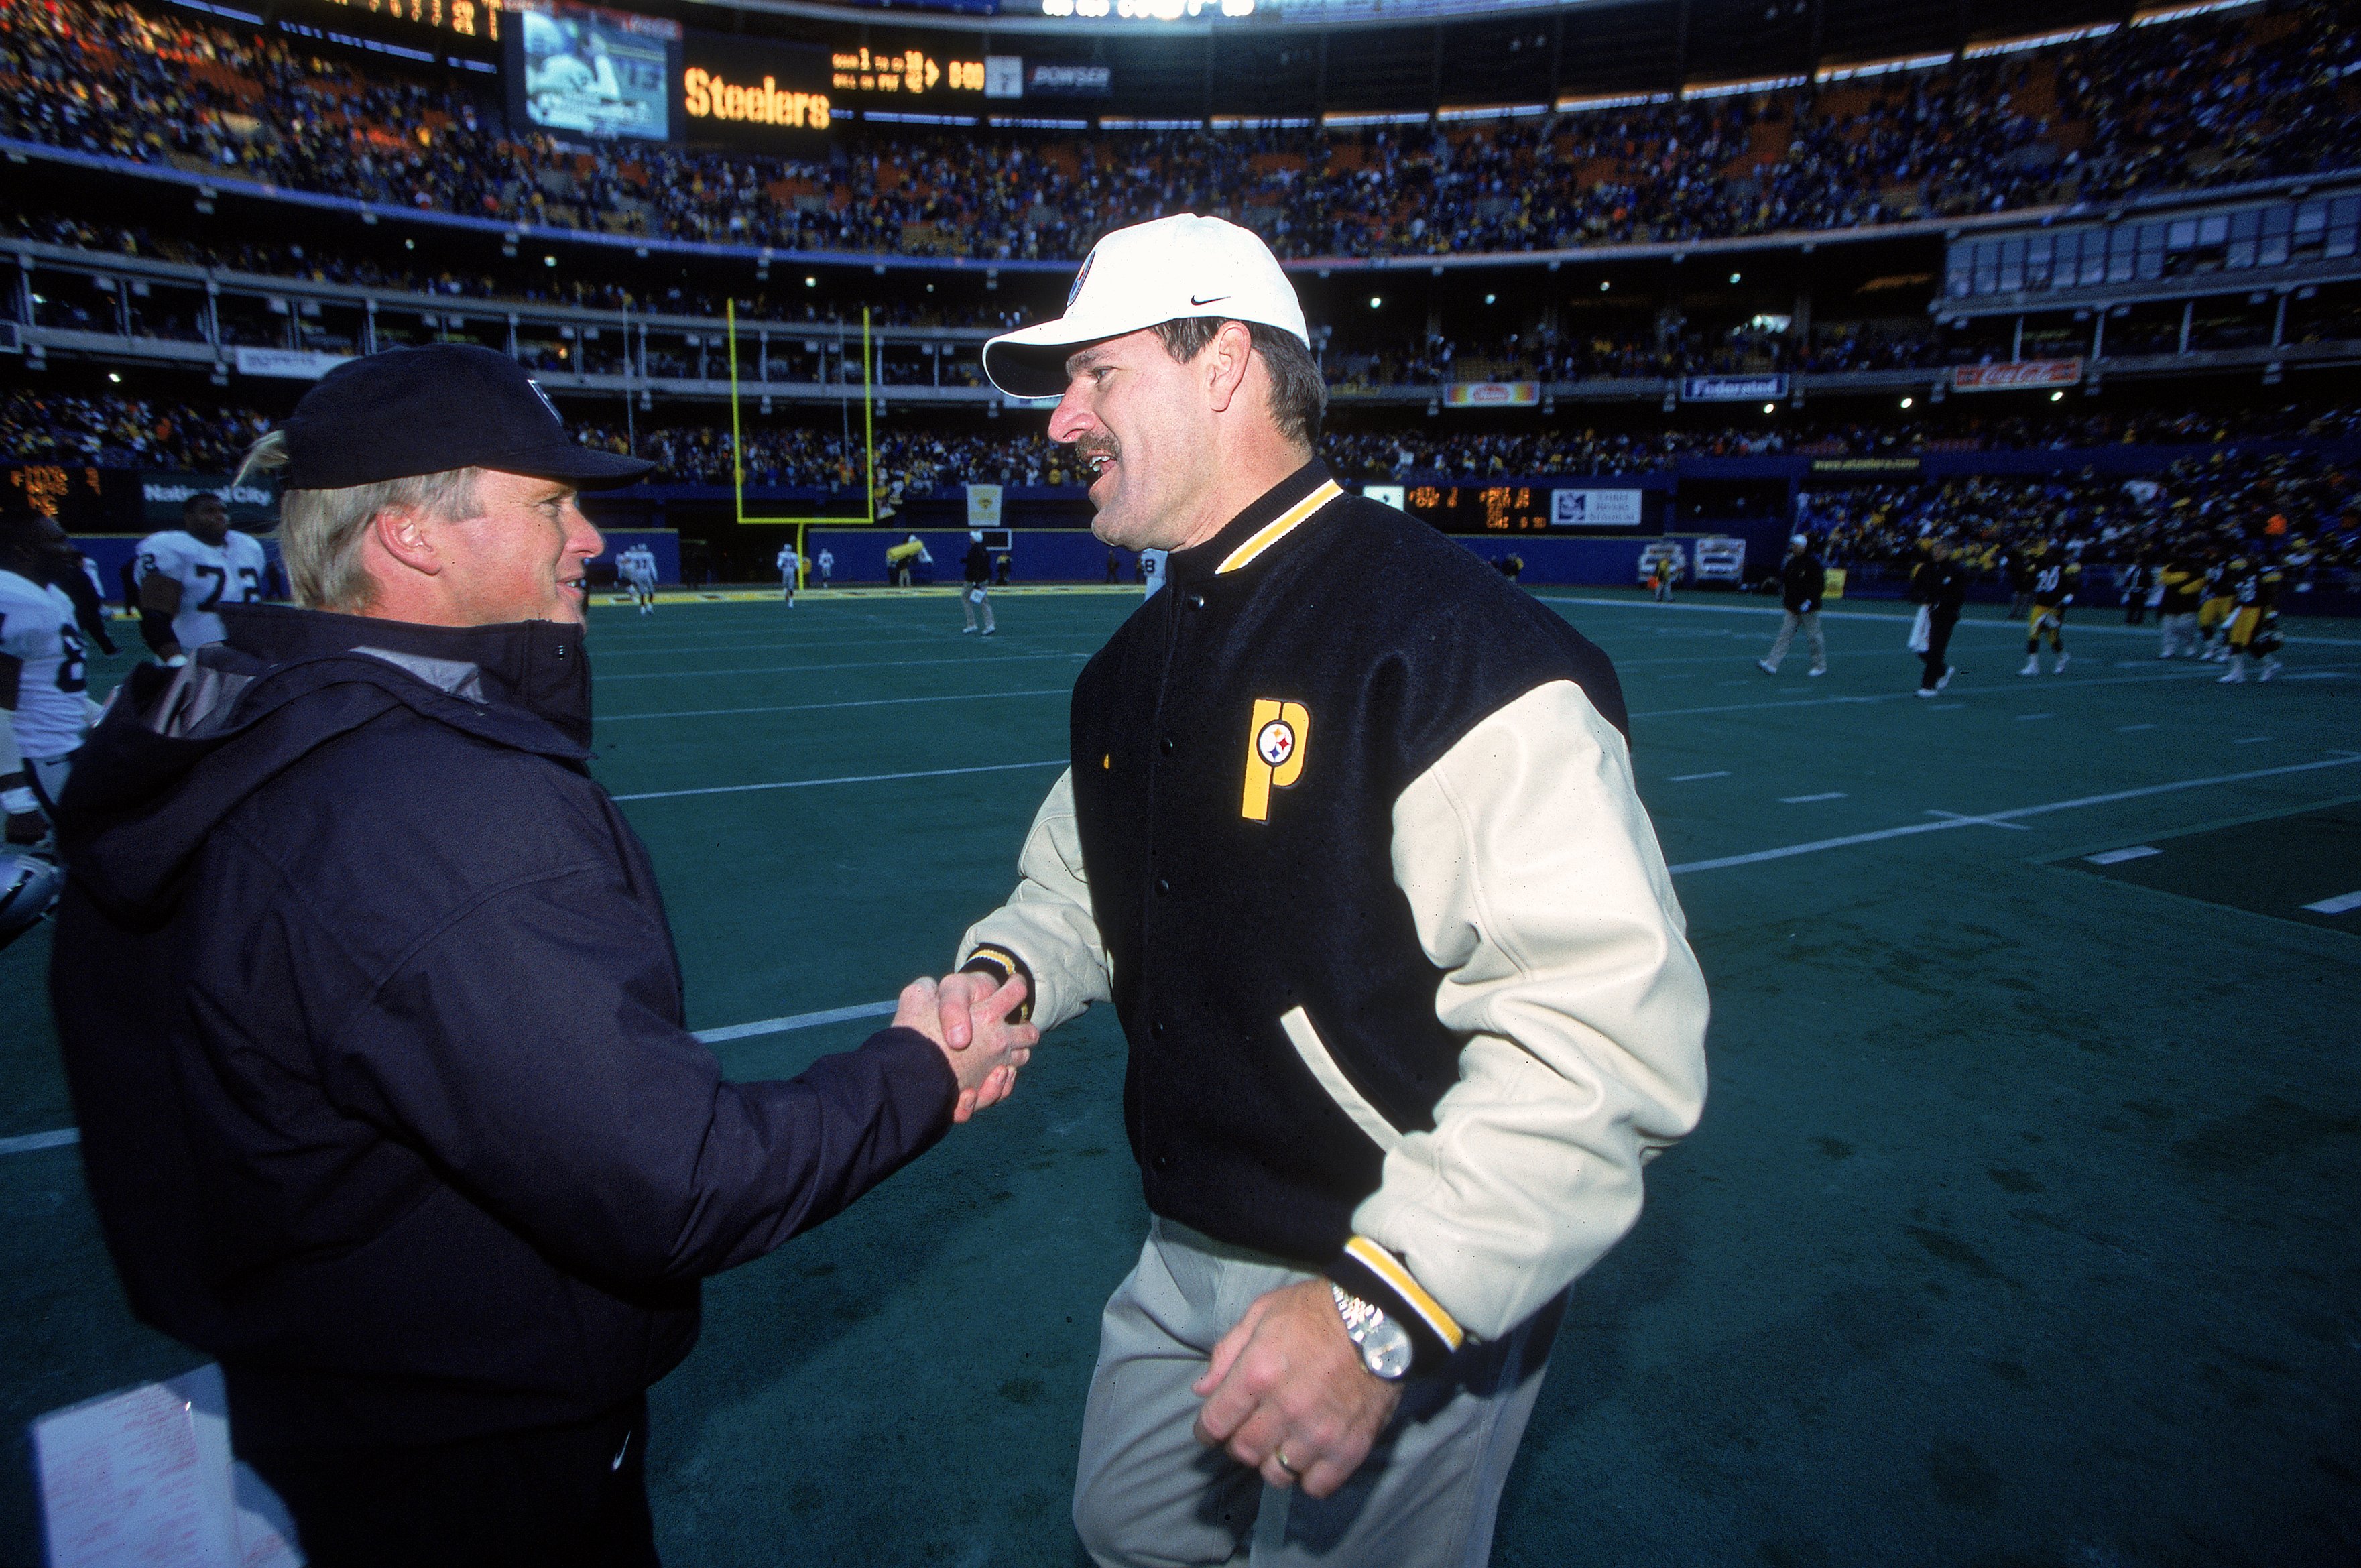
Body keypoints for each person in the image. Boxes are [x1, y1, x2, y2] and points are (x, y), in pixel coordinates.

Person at [48, 344, 1037, 1568]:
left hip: (312, 1389)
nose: (588, 537)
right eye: (549, 503)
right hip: (466, 1444)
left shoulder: (232, 716)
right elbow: (675, 1178)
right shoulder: (430, 800)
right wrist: (922, 1069)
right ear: (411, 536)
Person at [958, 213, 1709, 1568]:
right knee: (1123, 1526)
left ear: (1225, 365)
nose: (1060, 420)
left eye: (1097, 374)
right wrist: (1002, 971)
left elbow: (1608, 1037)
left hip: (1396, 1255)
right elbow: (1080, 883)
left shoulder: (1457, 649)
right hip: (1185, 1233)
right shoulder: (1130, 666)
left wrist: (1385, 1304)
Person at [0, 514, 98, 844]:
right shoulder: (11, 595)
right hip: (36, 754)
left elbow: (52, 682)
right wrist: (17, 798)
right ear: (24, 552)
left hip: (64, 746)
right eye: (58, 541)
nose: (69, 550)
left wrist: (101, 716)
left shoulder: (53, 596)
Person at [135, 489, 271, 663]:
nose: (219, 516)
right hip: (192, 657)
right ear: (189, 518)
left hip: (244, 655)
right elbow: (155, 616)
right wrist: (174, 660)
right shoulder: (169, 547)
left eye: (223, 511)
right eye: (209, 511)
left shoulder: (248, 547)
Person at [1756, 533, 1827, 676]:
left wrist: (1809, 601)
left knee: (1814, 637)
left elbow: (1819, 585)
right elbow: (1787, 581)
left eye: (1796, 546)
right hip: (1793, 606)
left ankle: (1820, 665)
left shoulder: (1812, 564)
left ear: (1803, 547)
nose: (1793, 548)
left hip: (1808, 608)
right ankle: (1772, 664)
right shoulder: (1792, 562)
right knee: (1785, 635)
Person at [1909, 538, 1968, 698]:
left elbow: (1959, 595)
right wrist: (1923, 598)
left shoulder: (1956, 570)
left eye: (1941, 550)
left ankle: (1928, 686)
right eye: (1936, 549)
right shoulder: (1925, 569)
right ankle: (1942, 670)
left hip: (1945, 615)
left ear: (1949, 552)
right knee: (1917, 647)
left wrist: (1941, 603)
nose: (1937, 552)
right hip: (1926, 612)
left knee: (1936, 649)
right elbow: (1913, 591)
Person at [2218, 554, 2284, 684]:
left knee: (2249, 641)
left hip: (2257, 609)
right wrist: (2233, 610)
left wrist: (2272, 614)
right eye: (2249, 558)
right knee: (2235, 640)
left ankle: (2269, 665)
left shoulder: (2265, 574)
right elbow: (2239, 594)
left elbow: (2274, 594)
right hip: (2243, 609)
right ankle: (2237, 673)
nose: (2250, 560)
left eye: (2253, 558)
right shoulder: (2242, 574)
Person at [2018, 541, 2078, 676]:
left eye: (2051, 552)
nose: (2047, 554)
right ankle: (2033, 666)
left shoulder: (2065, 568)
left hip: (2054, 607)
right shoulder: (2040, 566)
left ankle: (2062, 657)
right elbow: (2030, 580)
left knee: (2052, 638)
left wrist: (2069, 596)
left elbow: (2075, 584)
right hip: (2039, 605)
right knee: (2033, 634)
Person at [2155, 552, 2205, 658]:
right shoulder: (2171, 567)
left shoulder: (2195, 568)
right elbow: (2164, 579)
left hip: (2188, 602)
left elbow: (2201, 582)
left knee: (2184, 627)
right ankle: (2168, 650)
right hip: (2171, 600)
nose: (2182, 556)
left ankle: (2189, 645)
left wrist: (2187, 589)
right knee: (2168, 627)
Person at [961, 529, 997, 636]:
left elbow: (975, 566)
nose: (970, 539)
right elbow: (984, 565)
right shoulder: (984, 550)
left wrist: (975, 581)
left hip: (974, 580)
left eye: (972, 537)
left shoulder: (973, 551)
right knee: (984, 601)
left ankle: (973, 624)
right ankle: (989, 624)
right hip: (983, 579)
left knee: (966, 598)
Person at [619, 542, 658, 615]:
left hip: (638, 575)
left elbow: (626, 561)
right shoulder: (649, 555)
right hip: (646, 574)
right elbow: (652, 567)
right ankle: (649, 605)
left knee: (642, 592)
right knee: (651, 591)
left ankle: (642, 607)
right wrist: (655, 576)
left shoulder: (634, 556)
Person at [776, 539, 800, 607]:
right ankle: (791, 603)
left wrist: (780, 568)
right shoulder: (795, 555)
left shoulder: (782, 554)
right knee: (791, 587)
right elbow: (798, 565)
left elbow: (779, 564)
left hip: (785, 570)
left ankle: (786, 594)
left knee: (785, 585)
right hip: (792, 571)